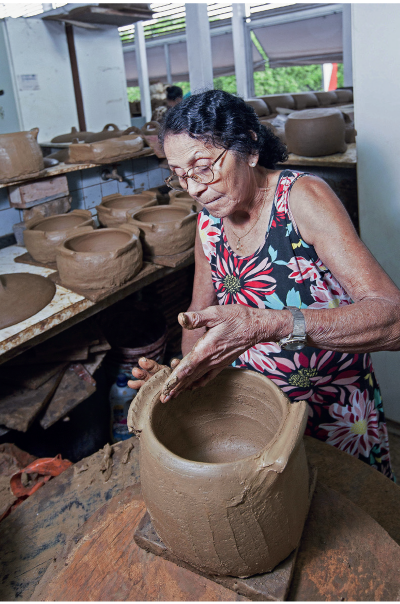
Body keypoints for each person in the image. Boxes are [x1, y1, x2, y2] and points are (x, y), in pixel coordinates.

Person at [129, 89, 400, 479]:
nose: (193, 188)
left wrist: (268, 324)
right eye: (180, 175)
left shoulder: (302, 199)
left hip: (332, 405)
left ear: (250, 149)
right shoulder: (207, 222)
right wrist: (181, 374)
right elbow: (198, 322)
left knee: (345, 508)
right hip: (254, 410)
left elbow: (391, 318)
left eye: (202, 166)